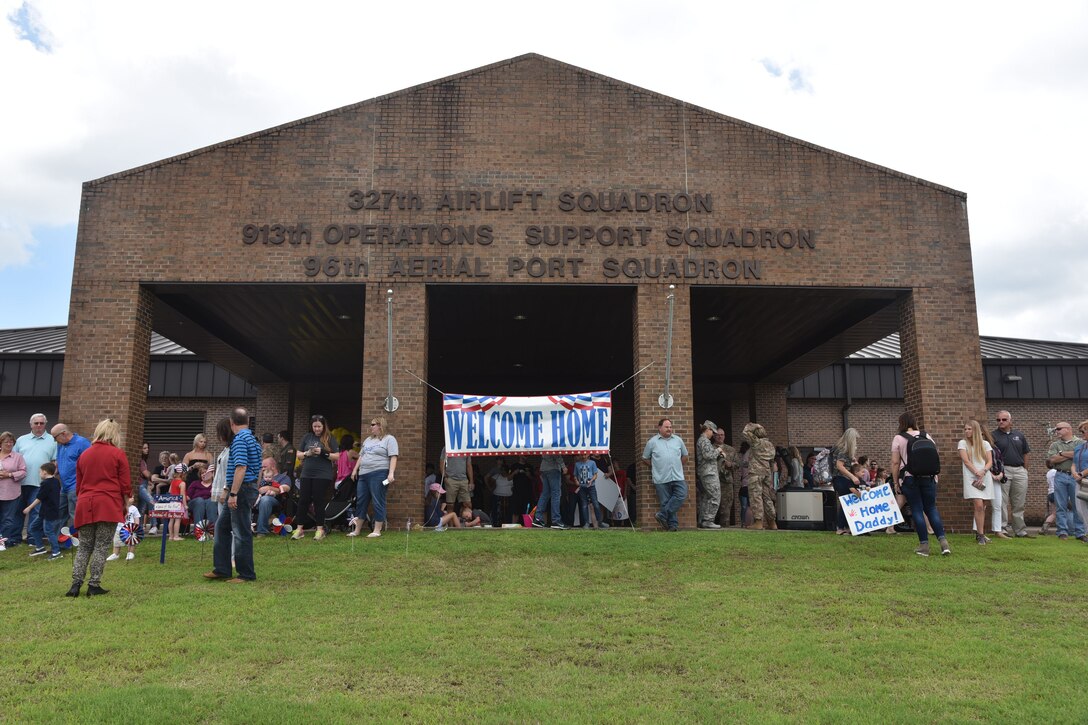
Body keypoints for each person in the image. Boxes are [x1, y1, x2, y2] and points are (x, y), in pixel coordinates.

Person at [68, 418, 129, 597]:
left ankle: (75, 584)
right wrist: (126, 502)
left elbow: (78, 484)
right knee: (101, 545)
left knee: (84, 545)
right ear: (114, 434)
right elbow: (125, 484)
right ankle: (94, 584)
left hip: (86, 502)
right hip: (107, 503)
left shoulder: (84, 455)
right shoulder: (117, 454)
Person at [204, 407, 262, 583]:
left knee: (241, 531)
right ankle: (222, 569)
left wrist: (233, 493)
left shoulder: (239, 440)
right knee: (222, 527)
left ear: (231, 423)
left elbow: (241, 467)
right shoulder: (252, 439)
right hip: (246, 488)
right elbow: (257, 468)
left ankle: (246, 574)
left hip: (241, 490)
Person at [891, 412, 951, 557]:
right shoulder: (926, 435)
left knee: (917, 509)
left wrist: (895, 482)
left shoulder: (899, 438)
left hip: (909, 478)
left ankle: (924, 546)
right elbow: (935, 456)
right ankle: (944, 543)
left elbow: (895, 462)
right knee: (931, 508)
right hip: (929, 477)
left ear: (901, 423)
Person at [292, 414, 340, 541]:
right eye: (314, 426)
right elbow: (298, 454)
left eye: (319, 426)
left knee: (318, 500)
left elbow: (337, 456)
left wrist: (323, 453)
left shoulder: (330, 438)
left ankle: (320, 529)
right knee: (303, 500)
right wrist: (307, 453)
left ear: (324, 426)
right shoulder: (307, 437)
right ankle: (299, 529)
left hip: (323, 474)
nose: (317, 429)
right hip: (307, 473)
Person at [349, 416, 398, 538]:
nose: (370, 427)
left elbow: (393, 456)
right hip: (363, 474)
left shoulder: (389, 439)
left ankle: (377, 530)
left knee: (378, 500)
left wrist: (391, 473)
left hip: (379, 473)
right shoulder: (367, 440)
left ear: (380, 425)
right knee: (361, 501)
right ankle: (357, 530)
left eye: (373, 424)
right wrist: (355, 470)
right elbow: (361, 456)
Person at [14, 413, 56, 549]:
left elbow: (55, 463)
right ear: (31, 424)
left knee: (36, 512)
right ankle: (15, 538)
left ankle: (32, 538)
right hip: (19, 483)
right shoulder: (21, 440)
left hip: (40, 484)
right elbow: (13, 458)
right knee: (17, 511)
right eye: (36, 423)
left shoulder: (52, 440)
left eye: (41, 423)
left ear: (45, 424)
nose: (38, 425)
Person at [641, 418, 689, 532]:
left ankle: (662, 515)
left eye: (670, 427)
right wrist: (655, 465)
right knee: (665, 502)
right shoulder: (652, 442)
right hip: (661, 477)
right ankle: (672, 526)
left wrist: (677, 464)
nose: (669, 429)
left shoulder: (678, 440)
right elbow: (644, 458)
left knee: (682, 494)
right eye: (667, 427)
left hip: (677, 476)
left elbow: (685, 456)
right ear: (660, 428)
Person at [991, 410, 1031, 537]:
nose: (1001, 422)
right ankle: (1002, 528)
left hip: (1020, 470)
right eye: (998, 420)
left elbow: (1026, 452)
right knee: (1002, 501)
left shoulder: (1019, 435)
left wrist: (1025, 469)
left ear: (1010, 421)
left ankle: (1020, 530)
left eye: (1004, 419)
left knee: (1019, 501)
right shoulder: (993, 436)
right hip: (1003, 470)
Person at [1047, 421, 1085, 542]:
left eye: (1058, 429)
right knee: (1060, 505)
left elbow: (1079, 455)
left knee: (1077, 506)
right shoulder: (1054, 444)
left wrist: (1061, 454)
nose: (1056, 431)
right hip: (1060, 475)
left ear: (1068, 429)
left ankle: (1080, 532)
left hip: (1076, 476)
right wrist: (1071, 454)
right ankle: (1062, 531)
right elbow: (1052, 459)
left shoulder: (1080, 442)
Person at [958, 419, 995, 545]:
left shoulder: (985, 444)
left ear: (976, 430)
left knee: (983, 506)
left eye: (970, 429)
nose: (967, 431)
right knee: (978, 505)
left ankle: (980, 532)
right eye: (965, 429)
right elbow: (966, 461)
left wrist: (983, 471)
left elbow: (990, 461)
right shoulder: (962, 443)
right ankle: (980, 535)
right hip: (971, 477)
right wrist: (976, 472)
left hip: (984, 476)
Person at [50, 423, 90, 531]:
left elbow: (90, 464)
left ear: (63, 434)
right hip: (64, 486)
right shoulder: (60, 445)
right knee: (59, 514)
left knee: (76, 514)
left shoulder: (82, 443)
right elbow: (59, 460)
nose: (55, 441)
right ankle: (58, 544)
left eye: (55, 437)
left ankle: (83, 543)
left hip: (76, 486)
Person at [24, 461, 63, 559]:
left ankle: (56, 552)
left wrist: (29, 507)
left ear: (45, 472)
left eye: (40, 471)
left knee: (49, 531)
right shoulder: (56, 481)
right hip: (45, 511)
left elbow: (39, 498)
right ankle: (40, 547)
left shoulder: (45, 484)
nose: (39, 473)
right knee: (34, 527)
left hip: (49, 512)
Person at [743, 423, 776, 530]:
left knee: (755, 497)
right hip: (767, 473)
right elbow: (772, 462)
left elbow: (745, 432)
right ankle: (772, 523)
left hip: (756, 473)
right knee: (767, 497)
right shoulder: (770, 445)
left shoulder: (756, 442)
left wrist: (754, 426)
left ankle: (758, 522)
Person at [830, 428, 863, 535]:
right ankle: (841, 527)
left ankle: (845, 526)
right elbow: (840, 466)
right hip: (841, 478)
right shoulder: (843, 449)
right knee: (846, 502)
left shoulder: (838, 448)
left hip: (839, 479)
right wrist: (852, 477)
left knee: (846, 502)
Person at [0, 431, 27, 549]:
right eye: (6, 441)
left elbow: (23, 472)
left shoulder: (18, 457)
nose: (9, 444)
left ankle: (3, 542)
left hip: (10, 492)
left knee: (8, 519)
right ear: (1, 443)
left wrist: (10, 475)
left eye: (11, 442)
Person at [695, 420, 722, 529]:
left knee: (706, 497)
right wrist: (718, 450)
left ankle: (703, 520)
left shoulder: (702, 441)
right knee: (715, 495)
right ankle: (708, 520)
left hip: (706, 472)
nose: (713, 434)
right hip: (709, 473)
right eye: (713, 432)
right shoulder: (704, 441)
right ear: (708, 429)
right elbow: (708, 455)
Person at [255, 458, 291, 536]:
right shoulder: (260, 478)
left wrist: (268, 488)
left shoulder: (283, 477)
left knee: (265, 500)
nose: (262, 469)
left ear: (273, 467)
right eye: (262, 467)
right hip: (257, 499)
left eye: (264, 466)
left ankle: (261, 531)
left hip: (275, 500)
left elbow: (286, 488)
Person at [533, 453, 568, 529]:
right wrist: (563, 466)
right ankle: (556, 520)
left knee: (545, 494)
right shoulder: (553, 441)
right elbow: (555, 452)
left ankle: (538, 518)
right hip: (553, 467)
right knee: (556, 494)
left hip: (544, 468)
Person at [574, 452, 607, 529]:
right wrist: (576, 481)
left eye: (585, 454)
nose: (583, 456)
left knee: (596, 504)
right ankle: (586, 523)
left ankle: (600, 522)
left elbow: (595, 474)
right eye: (582, 454)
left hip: (591, 486)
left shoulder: (592, 463)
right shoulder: (577, 464)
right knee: (584, 505)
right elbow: (575, 475)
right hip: (582, 487)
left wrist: (591, 480)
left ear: (588, 454)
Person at [713, 430, 739, 526]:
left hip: (726, 481)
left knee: (726, 505)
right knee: (712, 504)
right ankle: (710, 524)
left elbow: (738, 464)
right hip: (713, 480)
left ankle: (725, 525)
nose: (720, 437)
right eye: (718, 435)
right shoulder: (710, 448)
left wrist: (731, 464)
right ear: (714, 436)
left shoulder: (731, 450)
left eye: (722, 435)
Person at [107, 494, 141, 562]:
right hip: (119, 528)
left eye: (133, 497)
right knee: (116, 542)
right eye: (130, 497)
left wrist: (136, 526)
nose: (132, 499)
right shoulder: (119, 507)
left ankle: (130, 553)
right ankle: (115, 554)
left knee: (131, 541)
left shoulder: (134, 508)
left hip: (130, 528)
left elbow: (136, 518)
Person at [186, 460, 215, 532]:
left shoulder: (215, 485)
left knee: (211, 501)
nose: (203, 474)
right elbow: (188, 497)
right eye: (202, 473)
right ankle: (199, 531)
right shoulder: (195, 483)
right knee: (200, 501)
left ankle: (212, 531)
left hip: (210, 505)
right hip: (195, 504)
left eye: (206, 473)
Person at [1070, 421, 1088, 534]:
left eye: (1084, 431)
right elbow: (1073, 463)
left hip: (1084, 478)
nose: (1081, 433)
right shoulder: (1079, 448)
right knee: (1081, 510)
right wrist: (1074, 473)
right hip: (1080, 481)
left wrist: (1082, 474)